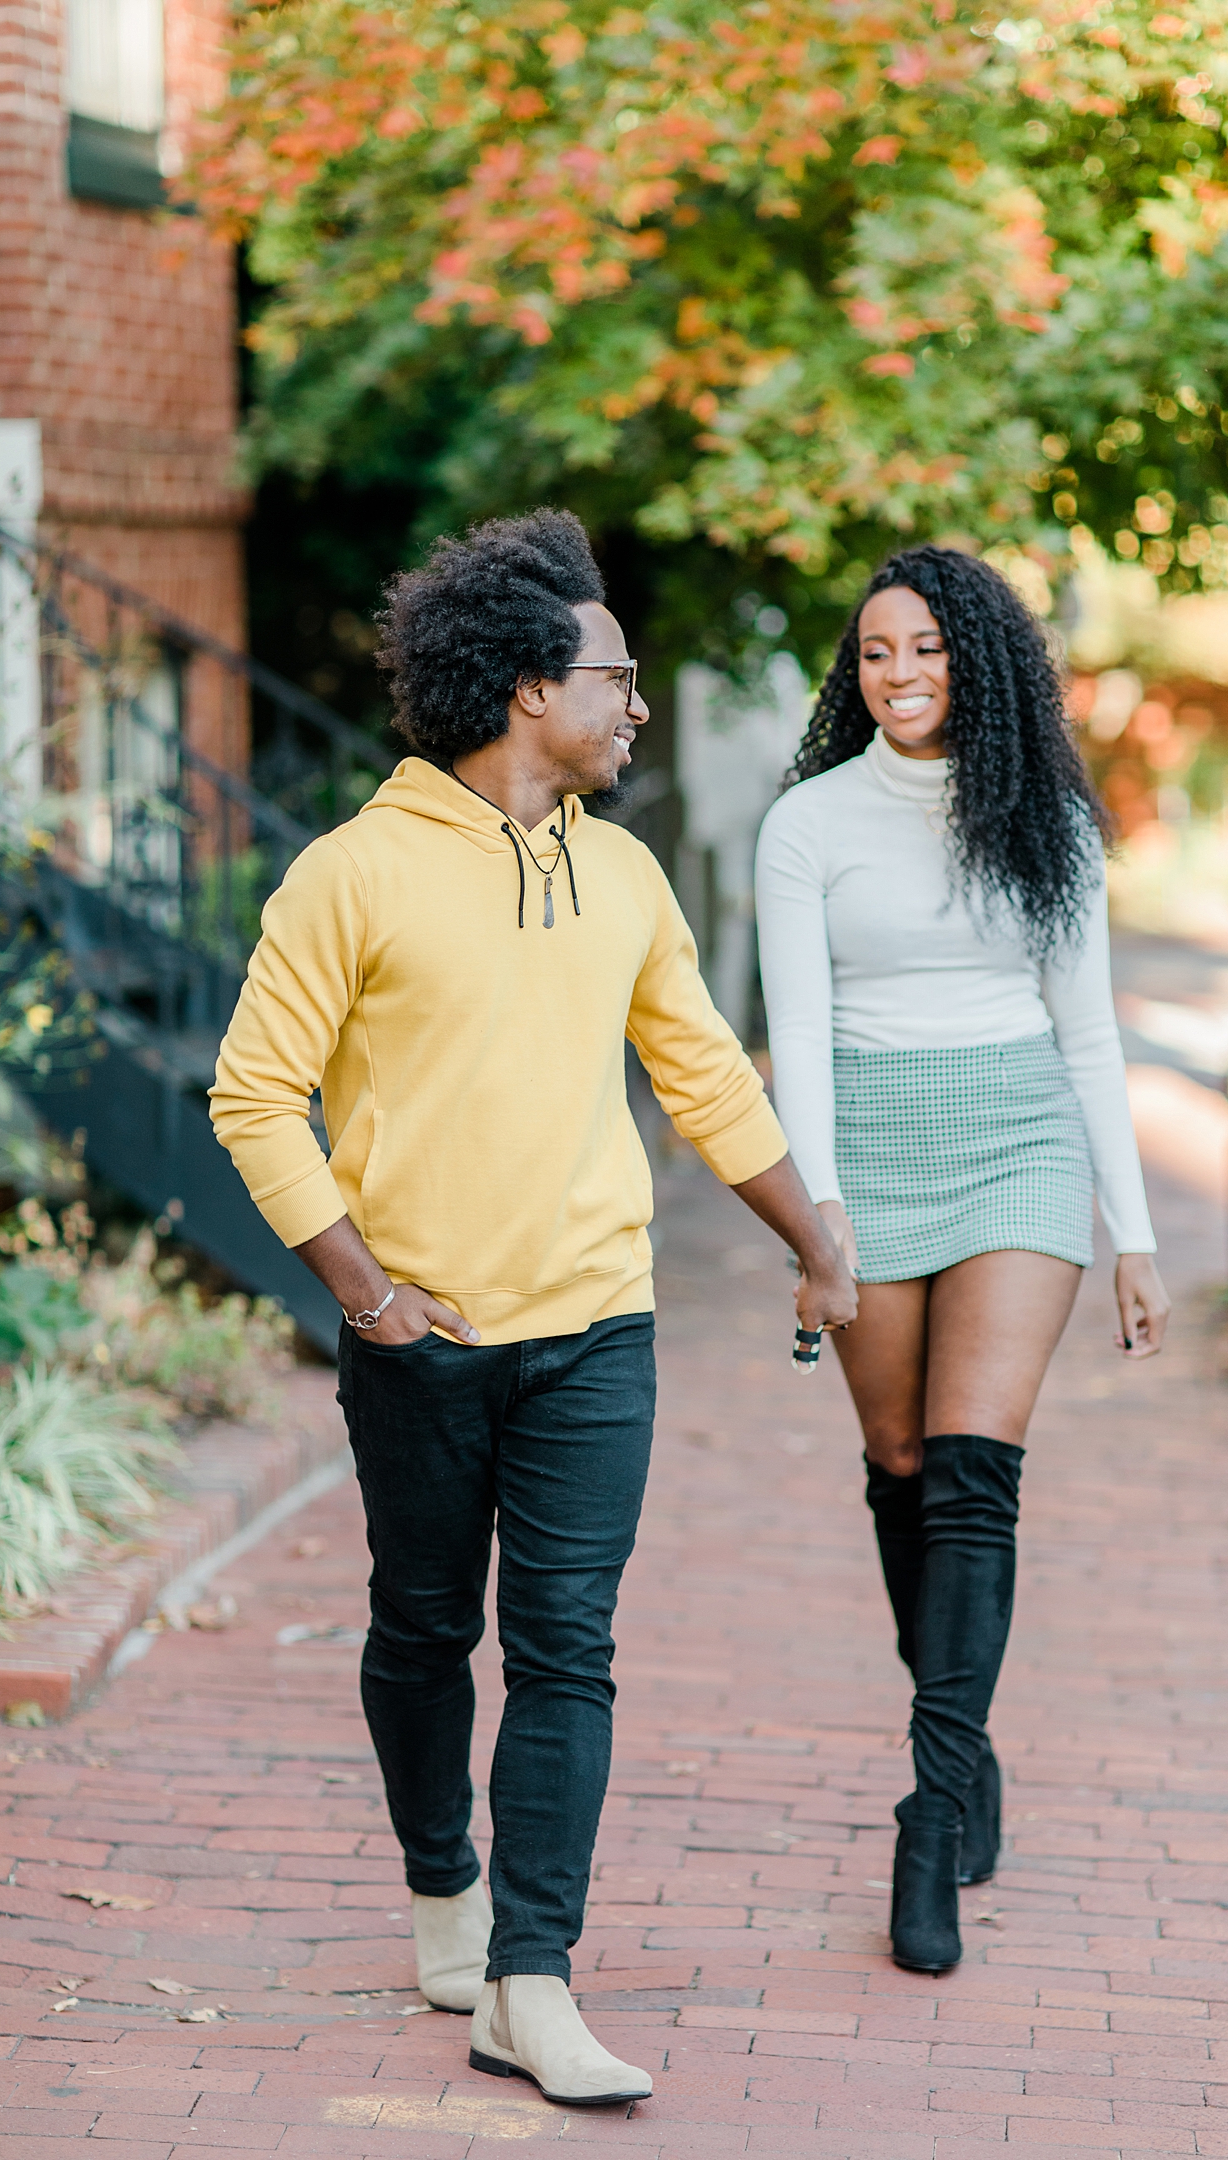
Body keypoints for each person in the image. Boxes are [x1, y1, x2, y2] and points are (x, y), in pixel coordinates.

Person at [210, 509, 855, 2105]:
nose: (636, 702)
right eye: (615, 676)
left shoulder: (625, 873)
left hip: (595, 1325)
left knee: (567, 1647)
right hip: (422, 1340)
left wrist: (815, 1237)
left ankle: (529, 1977)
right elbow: (253, 1095)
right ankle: (447, 1888)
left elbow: (701, 1073)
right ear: (522, 690)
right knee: (426, 1630)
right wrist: (363, 1294)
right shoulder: (349, 876)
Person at [754, 544, 1168, 1975]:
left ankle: (929, 1815)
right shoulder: (806, 825)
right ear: (851, 671)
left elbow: (1092, 1033)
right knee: (902, 1469)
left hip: (1017, 1144)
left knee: (974, 1475)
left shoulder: (1046, 817)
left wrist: (1135, 1233)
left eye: (925, 648)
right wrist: (820, 1217)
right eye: (875, 652)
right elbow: (796, 1032)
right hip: (866, 1141)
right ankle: (966, 1737)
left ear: (975, 657)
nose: (901, 674)